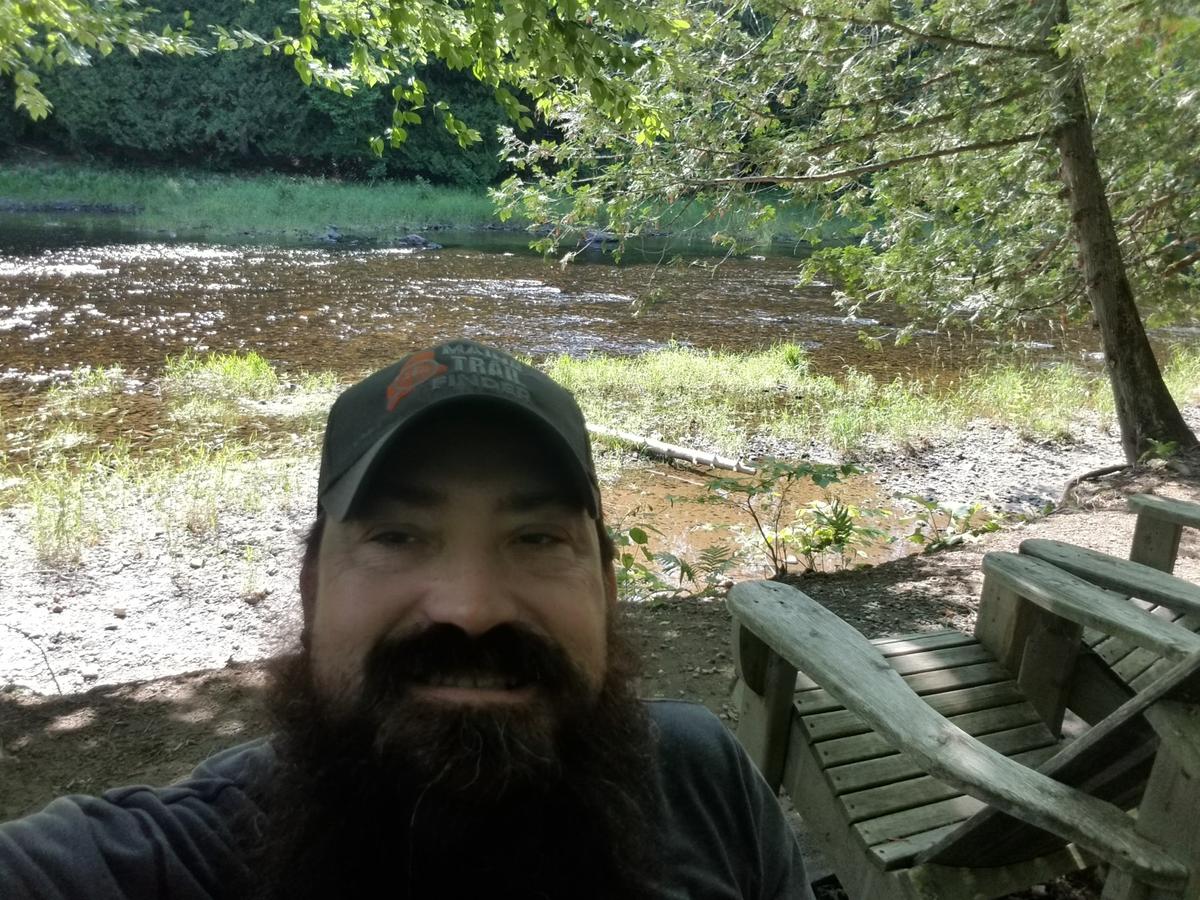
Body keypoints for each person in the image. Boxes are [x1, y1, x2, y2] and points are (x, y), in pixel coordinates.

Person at [0, 339, 812, 899]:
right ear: (313, 590)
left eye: (536, 538)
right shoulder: (170, 864)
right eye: (395, 536)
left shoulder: (710, 788)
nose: (470, 607)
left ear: (605, 586)